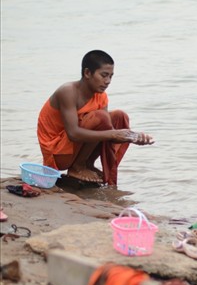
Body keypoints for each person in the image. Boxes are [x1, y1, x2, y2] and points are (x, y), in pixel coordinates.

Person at [37, 50, 154, 185]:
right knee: (102, 117)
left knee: (120, 117)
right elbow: (73, 134)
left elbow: (106, 130)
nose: (108, 81)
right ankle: (77, 167)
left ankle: (88, 163)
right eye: (104, 75)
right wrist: (115, 134)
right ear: (87, 73)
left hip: (75, 147)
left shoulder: (101, 96)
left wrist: (133, 137)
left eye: (111, 76)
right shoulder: (68, 91)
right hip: (58, 153)